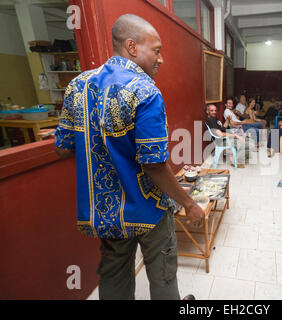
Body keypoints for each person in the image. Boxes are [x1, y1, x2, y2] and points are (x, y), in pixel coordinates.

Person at [54, 14, 204, 300]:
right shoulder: (145, 90)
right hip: (149, 209)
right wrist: (188, 203)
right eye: (157, 50)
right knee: (162, 276)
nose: (161, 59)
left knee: (114, 277)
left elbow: (61, 147)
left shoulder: (78, 85)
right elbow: (154, 165)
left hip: (107, 211)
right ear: (132, 47)